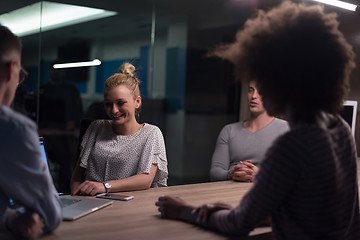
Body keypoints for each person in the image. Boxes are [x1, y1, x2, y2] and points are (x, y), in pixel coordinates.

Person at [156, 2, 360, 239]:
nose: (256, 89)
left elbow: (238, 224)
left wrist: (185, 211)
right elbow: (320, 211)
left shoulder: (291, 146)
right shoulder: (340, 128)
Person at [0, 26, 62, 239]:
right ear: (11, 69)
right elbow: (51, 214)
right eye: (21, 75)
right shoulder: (13, 129)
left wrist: (7, 218)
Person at [71, 62, 168, 196]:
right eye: (108, 104)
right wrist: (76, 198)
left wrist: (104, 186)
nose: (114, 110)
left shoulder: (151, 133)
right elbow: (77, 177)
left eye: (120, 103)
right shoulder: (96, 127)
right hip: (90, 203)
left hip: (128, 205)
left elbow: (145, 180)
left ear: (137, 102)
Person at [210, 80, 288, 182]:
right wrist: (232, 174)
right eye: (250, 90)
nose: (253, 96)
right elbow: (215, 172)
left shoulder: (286, 130)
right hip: (228, 193)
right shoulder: (229, 130)